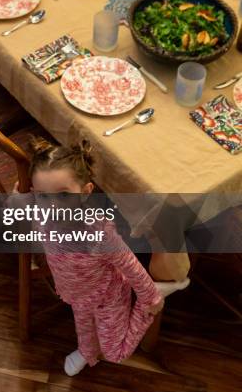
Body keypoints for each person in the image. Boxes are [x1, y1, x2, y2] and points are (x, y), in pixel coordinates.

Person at [26, 137, 190, 376]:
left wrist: (150, 297)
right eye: (43, 196)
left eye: (63, 195)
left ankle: (153, 296)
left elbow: (130, 265)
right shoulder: (41, 215)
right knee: (84, 330)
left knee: (116, 353)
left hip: (107, 296)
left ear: (85, 192)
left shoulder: (99, 234)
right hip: (76, 294)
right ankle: (86, 352)